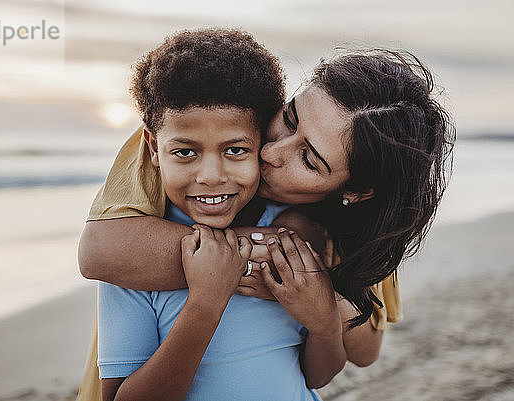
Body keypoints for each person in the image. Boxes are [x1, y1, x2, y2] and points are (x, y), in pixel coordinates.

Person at [78, 36, 455, 400]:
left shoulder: (371, 220)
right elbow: (99, 253)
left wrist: (317, 293)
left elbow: (364, 349)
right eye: (290, 120)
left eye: (309, 159)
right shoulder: (193, 126)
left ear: (355, 192)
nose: (271, 150)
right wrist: (267, 250)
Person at [93, 28, 336, 401]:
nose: (210, 176)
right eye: (185, 152)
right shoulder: (132, 262)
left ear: (263, 146)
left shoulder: (289, 237)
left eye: (236, 150)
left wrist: (325, 327)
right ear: (153, 149)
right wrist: (206, 302)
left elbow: (316, 376)